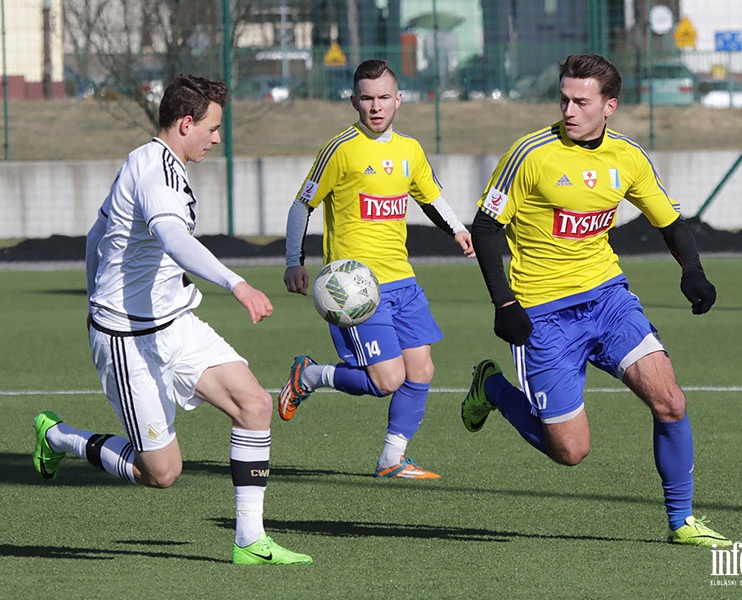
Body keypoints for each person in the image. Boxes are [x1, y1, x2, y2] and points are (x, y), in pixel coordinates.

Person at [32, 75, 312, 565]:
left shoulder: (158, 164)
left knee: (254, 405)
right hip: (128, 338)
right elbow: (173, 240)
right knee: (160, 473)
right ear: (187, 123)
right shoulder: (155, 173)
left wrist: (94, 291)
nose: (218, 137)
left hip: (175, 322)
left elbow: (95, 234)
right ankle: (59, 437)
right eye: (213, 127)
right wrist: (237, 284)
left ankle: (250, 541)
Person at [462, 54, 732, 548]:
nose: (569, 109)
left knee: (670, 402)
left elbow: (668, 220)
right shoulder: (530, 154)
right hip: (542, 313)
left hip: (608, 299)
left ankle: (682, 522)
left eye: (580, 101)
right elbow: (485, 227)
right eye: (564, 99)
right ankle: (493, 388)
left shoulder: (627, 156)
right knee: (570, 452)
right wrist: (505, 304)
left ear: (609, 106)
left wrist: (693, 270)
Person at [280, 59, 474, 479]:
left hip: (402, 280)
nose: (376, 106)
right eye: (366, 98)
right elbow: (302, 205)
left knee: (421, 370)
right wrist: (294, 261)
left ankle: (392, 458)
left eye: (384, 97)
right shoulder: (340, 148)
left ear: (399, 100)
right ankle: (310, 375)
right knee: (387, 379)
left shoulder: (409, 149)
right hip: (354, 289)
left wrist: (459, 229)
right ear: (353, 101)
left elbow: (430, 197)